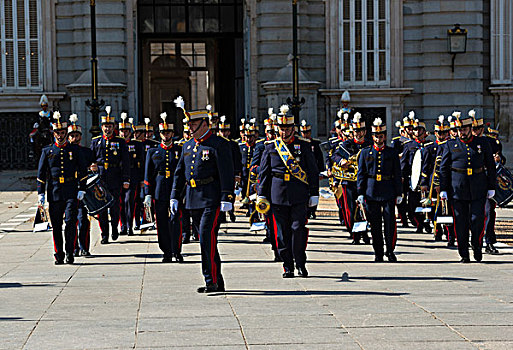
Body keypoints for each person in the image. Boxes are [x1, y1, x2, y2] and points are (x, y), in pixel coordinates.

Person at [171, 96, 234, 293]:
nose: (190, 128)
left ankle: (211, 281)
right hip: (192, 198)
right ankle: (217, 278)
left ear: (205, 124)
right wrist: (174, 195)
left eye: (194, 124)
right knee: (206, 240)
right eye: (189, 124)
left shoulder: (218, 144)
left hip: (211, 198)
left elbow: (226, 171)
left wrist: (227, 196)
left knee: (206, 237)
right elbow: (180, 172)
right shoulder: (188, 145)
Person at [257, 105, 319, 278]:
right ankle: (287, 265)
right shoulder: (270, 147)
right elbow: (264, 173)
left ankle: (300, 262)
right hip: (277, 195)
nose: (284, 132)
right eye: (282, 129)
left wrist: (314, 193)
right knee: (282, 233)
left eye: (287, 129)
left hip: (298, 194)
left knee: (298, 229)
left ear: (293, 128)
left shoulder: (304, 146)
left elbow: (312, 171)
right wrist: (262, 194)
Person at [439, 112, 496, 263]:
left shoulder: (482, 143)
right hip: (458, 188)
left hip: (478, 186)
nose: (461, 133)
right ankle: (464, 253)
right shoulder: (451, 145)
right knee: (460, 222)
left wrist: (492, 186)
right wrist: (443, 188)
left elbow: (490, 166)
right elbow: (443, 168)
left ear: (470, 128)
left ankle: (477, 245)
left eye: (464, 129)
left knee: (477, 219)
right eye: (459, 130)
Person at [37, 112, 87, 264]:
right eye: (57, 133)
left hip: (71, 189)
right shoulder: (48, 151)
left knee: (71, 222)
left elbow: (83, 170)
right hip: (54, 191)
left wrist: (82, 188)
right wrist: (41, 193)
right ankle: (59, 253)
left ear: (66, 133)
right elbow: (41, 173)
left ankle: (70, 252)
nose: (60, 135)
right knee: (57, 225)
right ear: (54, 133)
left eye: (63, 133)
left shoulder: (74, 150)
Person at [357, 118, 402, 262]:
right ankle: (378, 251)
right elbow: (361, 174)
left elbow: (397, 174)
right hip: (371, 191)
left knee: (390, 224)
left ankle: (390, 251)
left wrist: (399, 192)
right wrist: (360, 192)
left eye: (381, 135)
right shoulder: (365, 153)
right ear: (372, 136)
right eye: (376, 135)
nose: (379, 138)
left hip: (388, 190)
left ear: (385, 136)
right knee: (375, 225)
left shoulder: (391, 152)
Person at [144, 113, 183, 262]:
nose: (166, 135)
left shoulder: (179, 150)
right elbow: (148, 174)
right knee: (161, 222)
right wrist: (148, 193)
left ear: (172, 134)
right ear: (159, 134)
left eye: (168, 133)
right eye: (163, 133)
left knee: (176, 221)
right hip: (159, 190)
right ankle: (166, 252)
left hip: (175, 189)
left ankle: (177, 250)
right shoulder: (153, 151)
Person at [90, 106, 130, 244]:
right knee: (101, 207)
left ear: (114, 127)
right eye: (105, 126)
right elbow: (91, 158)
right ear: (102, 127)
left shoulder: (120, 142)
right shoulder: (96, 141)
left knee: (114, 206)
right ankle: (104, 234)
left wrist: (126, 179)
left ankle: (114, 227)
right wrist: (91, 166)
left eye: (110, 126)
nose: (107, 129)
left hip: (115, 176)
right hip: (100, 178)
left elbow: (125, 162)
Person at [332, 112, 372, 243]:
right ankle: (354, 234)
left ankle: (365, 232)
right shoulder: (346, 145)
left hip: (365, 182)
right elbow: (335, 155)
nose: (358, 133)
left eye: (360, 131)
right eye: (356, 130)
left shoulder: (370, 144)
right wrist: (341, 161)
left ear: (365, 131)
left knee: (365, 208)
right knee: (350, 209)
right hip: (349, 182)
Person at [471, 111, 505, 255]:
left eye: (477, 129)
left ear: (482, 129)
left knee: (489, 213)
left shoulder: (491, 142)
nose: (475, 132)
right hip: (471, 182)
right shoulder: (466, 143)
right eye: (473, 129)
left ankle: (489, 241)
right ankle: (474, 240)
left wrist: (498, 159)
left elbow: (501, 159)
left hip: (486, 181)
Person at [419, 116, 452, 243]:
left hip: (448, 182)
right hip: (433, 182)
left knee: (448, 208)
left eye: (444, 133)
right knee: (434, 209)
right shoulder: (429, 148)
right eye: (439, 133)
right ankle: (438, 231)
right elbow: (425, 167)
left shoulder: (452, 146)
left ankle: (450, 235)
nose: (441, 135)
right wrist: (423, 183)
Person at [67, 114, 95, 257]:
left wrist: (94, 167)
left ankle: (84, 247)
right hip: (70, 188)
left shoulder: (87, 151)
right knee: (71, 220)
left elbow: (93, 165)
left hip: (84, 188)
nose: (75, 138)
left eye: (77, 135)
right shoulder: (65, 151)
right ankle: (73, 248)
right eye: (72, 135)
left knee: (84, 219)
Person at [401, 117, 432, 233]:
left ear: (424, 132)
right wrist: (402, 177)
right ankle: (418, 223)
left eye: (420, 130)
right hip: (413, 180)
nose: (417, 132)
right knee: (413, 204)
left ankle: (427, 222)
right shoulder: (409, 145)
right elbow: (404, 163)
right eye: (415, 130)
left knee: (428, 202)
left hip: (427, 179)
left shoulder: (430, 145)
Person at [119, 114, 145, 236]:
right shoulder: (117, 143)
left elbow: (142, 162)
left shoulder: (137, 144)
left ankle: (130, 225)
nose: (124, 134)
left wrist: (141, 179)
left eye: (126, 131)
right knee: (119, 202)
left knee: (129, 201)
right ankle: (123, 225)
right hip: (118, 175)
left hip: (133, 175)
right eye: (122, 131)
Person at [218, 116, 242, 223]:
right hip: (219, 172)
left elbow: (237, 159)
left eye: (226, 131)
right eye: (222, 131)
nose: (224, 133)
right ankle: (221, 214)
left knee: (230, 193)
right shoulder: (216, 143)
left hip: (230, 171)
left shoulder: (233, 144)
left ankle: (231, 210)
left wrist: (237, 173)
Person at [300, 119, 324, 220]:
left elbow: (320, 158)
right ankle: (306, 210)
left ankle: (313, 210)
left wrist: (321, 172)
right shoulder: (300, 143)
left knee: (314, 190)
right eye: (304, 132)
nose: (306, 134)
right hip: (303, 172)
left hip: (314, 171)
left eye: (307, 132)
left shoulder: (315, 143)